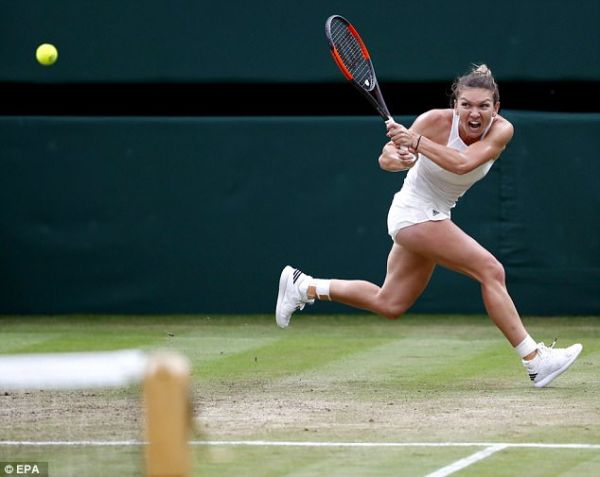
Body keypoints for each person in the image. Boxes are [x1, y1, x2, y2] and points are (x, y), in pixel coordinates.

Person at [275, 64, 582, 388]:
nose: (474, 113)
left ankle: (304, 286)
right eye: (466, 105)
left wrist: (416, 143)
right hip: (413, 213)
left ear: (497, 109)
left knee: (389, 302)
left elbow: (463, 163)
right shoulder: (433, 122)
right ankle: (534, 360)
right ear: (455, 106)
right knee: (491, 270)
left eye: (483, 106)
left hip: (436, 214)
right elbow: (387, 157)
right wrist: (400, 159)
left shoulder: (502, 130)